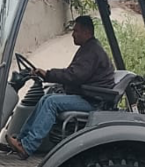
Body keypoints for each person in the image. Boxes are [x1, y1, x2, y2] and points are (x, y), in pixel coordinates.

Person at [7, 16, 115, 159]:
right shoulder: (88, 48)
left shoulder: (92, 51)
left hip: (93, 101)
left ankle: (27, 146)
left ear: (87, 31)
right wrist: (47, 75)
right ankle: (21, 140)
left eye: (76, 31)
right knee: (47, 98)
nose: (72, 34)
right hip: (87, 96)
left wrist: (49, 74)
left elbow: (75, 76)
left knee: (52, 102)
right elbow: (75, 74)